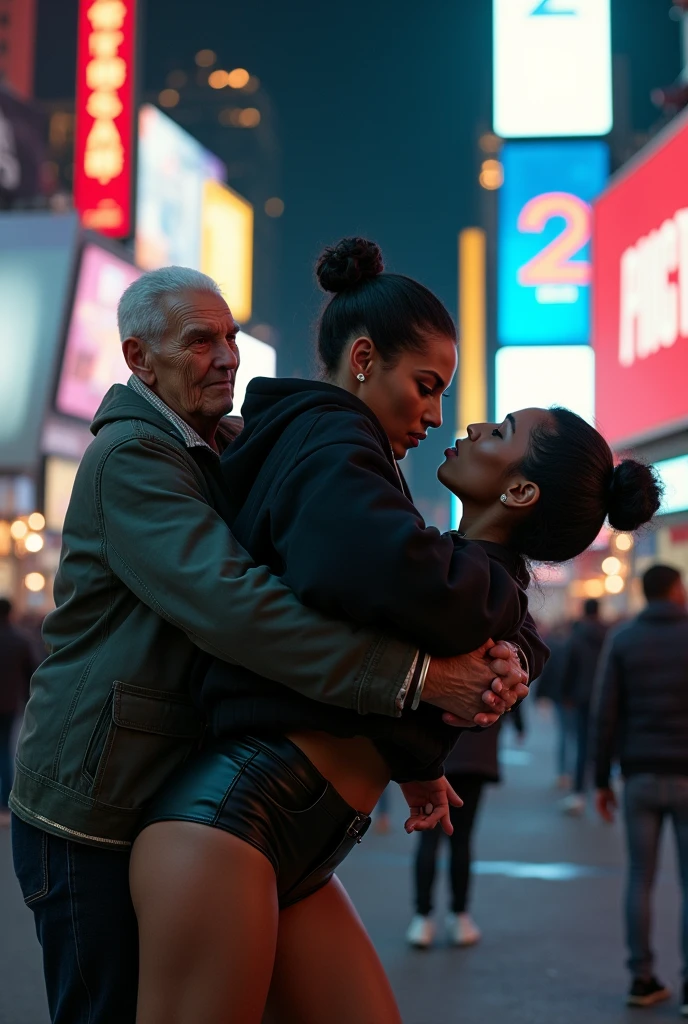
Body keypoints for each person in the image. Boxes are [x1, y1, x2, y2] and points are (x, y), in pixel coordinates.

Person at [130, 238, 661, 1024]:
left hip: (293, 838)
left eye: (490, 422)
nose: (447, 416)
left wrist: (506, 654)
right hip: (234, 820)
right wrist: (502, 644)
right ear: (365, 357)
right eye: (427, 386)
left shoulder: (363, 469)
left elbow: (406, 613)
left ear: (518, 490)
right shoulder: (334, 442)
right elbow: (376, 575)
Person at [10, 266, 527, 1024]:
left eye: (229, 338)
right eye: (198, 342)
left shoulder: (226, 447)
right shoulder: (132, 460)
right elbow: (242, 612)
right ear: (137, 359)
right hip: (94, 803)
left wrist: (416, 750)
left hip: (182, 792)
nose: (226, 357)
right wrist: (421, 679)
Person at [593, 564, 688, 1012]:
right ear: (675, 590)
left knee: (640, 881)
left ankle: (641, 978)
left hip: (639, 777)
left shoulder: (624, 640)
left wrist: (599, 781)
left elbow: (604, 715)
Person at [406, 720, 503, 949]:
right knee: (462, 838)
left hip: (433, 752)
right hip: (476, 754)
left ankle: (422, 917)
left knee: (428, 836)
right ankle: (459, 915)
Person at [559, 598, 608, 815]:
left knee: (581, 744)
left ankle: (579, 792)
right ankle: (604, 787)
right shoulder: (610, 635)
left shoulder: (577, 636)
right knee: (604, 742)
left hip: (581, 697)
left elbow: (568, 667)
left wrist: (566, 694)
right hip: (606, 697)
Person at [0, 598, 36, 827]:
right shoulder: (20, 639)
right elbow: (32, 672)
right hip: (9, 704)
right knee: (5, 751)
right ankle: (4, 802)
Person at [535, 621, 576, 788]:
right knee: (577, 737)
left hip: (564, 698)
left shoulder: (559, 647)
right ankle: (575, 773)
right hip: (579, 698)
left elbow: (550, 673)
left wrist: (541, 695)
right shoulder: (599, 642)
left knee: (566, 735)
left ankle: (564, 774)